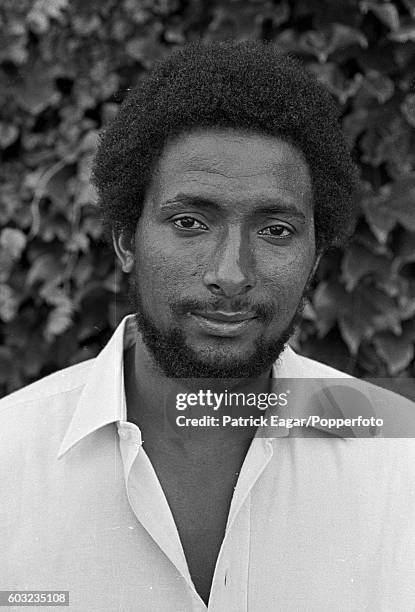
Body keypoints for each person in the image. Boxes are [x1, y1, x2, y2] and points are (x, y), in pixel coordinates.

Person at [1, 40, 414, 612]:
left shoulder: (401, 462)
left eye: (276, 231)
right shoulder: (9, 459)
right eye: (191, 222)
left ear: (316, 257)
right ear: (126, 239)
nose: (231, 274)